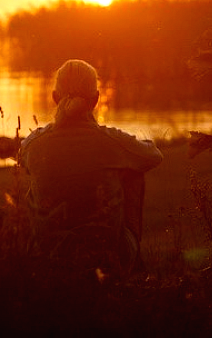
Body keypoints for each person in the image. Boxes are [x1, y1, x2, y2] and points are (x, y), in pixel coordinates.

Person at [19, 59, 163, 276]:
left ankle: (37, 262)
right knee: (133, 174)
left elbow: (21, 157)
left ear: (54, 98)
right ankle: (132, 270)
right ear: (95, 100)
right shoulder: (110, 142)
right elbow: (153, 156)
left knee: (37, 180)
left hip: (51, 254)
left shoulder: (35, 144)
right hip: (105, 256)